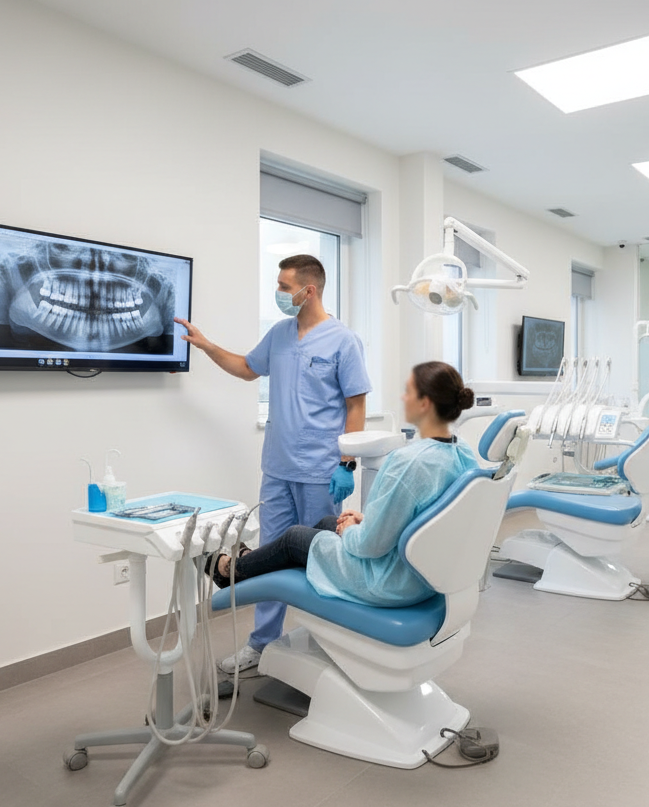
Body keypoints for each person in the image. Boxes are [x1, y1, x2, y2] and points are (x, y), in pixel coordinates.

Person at [175, 253, 371, 676]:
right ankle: (262, 643)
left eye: (284, 287)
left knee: (320, 559)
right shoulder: (280, 334)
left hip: (321, 469)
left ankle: (326, 643)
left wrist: (347, 464)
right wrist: (207, 345)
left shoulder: (343, 341)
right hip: (278, 466)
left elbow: (356, 404)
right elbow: (247, 368)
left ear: (308, 290)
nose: (279, 294)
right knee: (269, 556)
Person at [208, 362, 477, 608]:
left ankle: (229, 571)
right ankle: (249, 562)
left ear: (424, 404)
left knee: (293, 539)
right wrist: (364, 519)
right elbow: (420, 517)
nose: (402, 398)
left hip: (389, 581)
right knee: (328, 521)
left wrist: (351, 531)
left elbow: (371, 546)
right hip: (423, 573)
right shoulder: (462, 454)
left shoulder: (407, 462)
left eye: (408, 392)